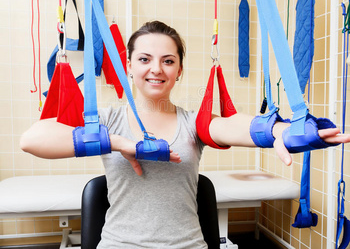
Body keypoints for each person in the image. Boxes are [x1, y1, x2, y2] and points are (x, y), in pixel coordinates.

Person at [21, 21, 350, 249]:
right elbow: (33, 139)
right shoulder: (107, 120)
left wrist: (277, 129)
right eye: (145, 59)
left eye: (168, 60)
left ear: (179, 70)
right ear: (129, 65)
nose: (156, 69)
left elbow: (228, 125)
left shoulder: (195, 123)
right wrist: (119, 142)